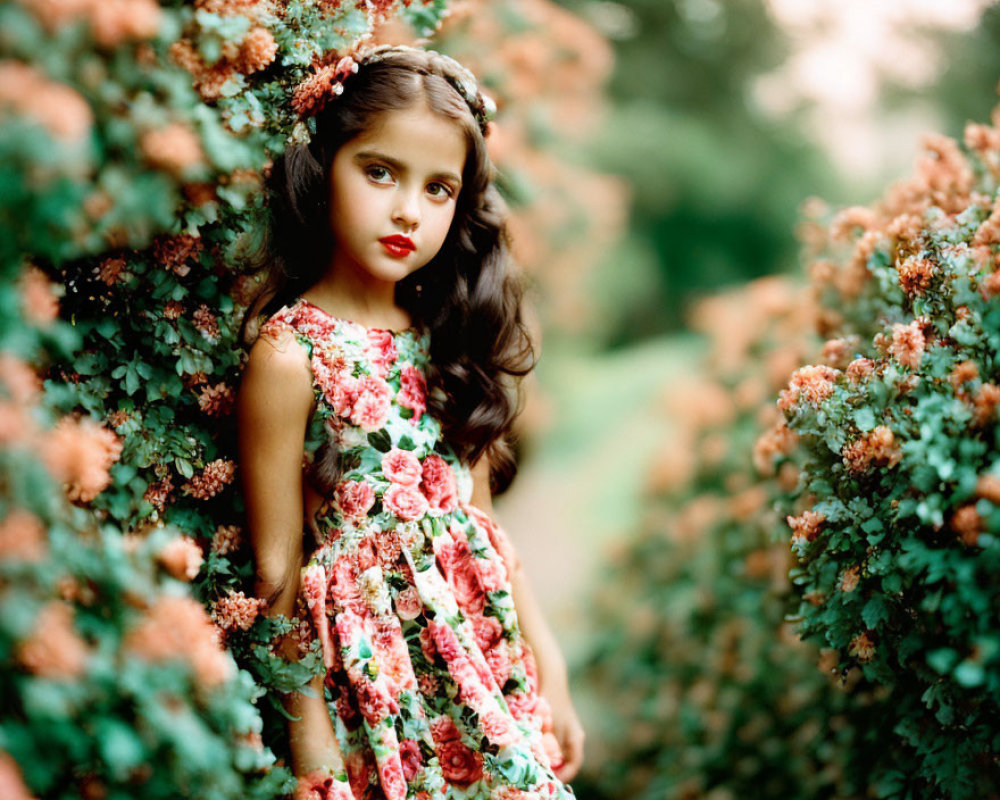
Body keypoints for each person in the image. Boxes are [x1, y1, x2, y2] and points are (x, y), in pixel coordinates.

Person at [235, 45, 584, 800]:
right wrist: (312, 743)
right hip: (380, 688)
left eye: (439, 188)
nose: (408, 211)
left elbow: (483, 526)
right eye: (380, 171)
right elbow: (276, 573)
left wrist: (548, 663)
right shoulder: (291, 354)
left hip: (489, 664)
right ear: (323, 166)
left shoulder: (449, 337)